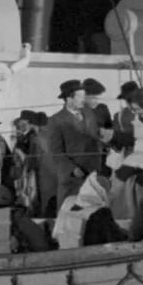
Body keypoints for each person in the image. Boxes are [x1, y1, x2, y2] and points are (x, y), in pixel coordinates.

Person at [38, 80, 102, 214]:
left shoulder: (90, 114)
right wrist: (72, 169)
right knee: (68, 215)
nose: (83, 100)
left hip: (92, 177)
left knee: (92, 216)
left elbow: (95, 139)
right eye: (80, 96)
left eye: (84, 96)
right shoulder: (56, 120)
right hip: (71, 179)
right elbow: (56, 151)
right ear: (69, 98)